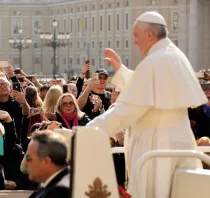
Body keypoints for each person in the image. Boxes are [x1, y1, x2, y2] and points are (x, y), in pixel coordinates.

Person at [87, 11, 207, 198]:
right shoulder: (171, 55)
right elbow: (151, 90)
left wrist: (87, 132)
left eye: (136, 35)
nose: (134, 41)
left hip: (158, 149)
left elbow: (125, 112)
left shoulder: (154, 61)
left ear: (149, 34)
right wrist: (122, 72)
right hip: (177, 145)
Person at [24, 130, 70, 198]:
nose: (25, 163)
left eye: (29, 159)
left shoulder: (60, 192)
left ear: (46, 161)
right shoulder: (52, 183)